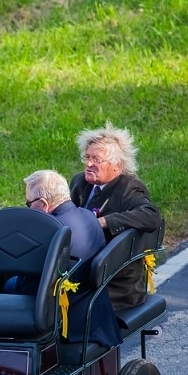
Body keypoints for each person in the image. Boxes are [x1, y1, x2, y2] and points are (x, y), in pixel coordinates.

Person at [67, 123, 163, 311]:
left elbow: (151, 215)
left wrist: (105, 222)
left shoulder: (129, 187)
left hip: (113, 280)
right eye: (87, 157)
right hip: (80, 264)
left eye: (96, 159)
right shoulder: (80, 182)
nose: (89, 164)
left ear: (117, 165)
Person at [25, 169, 118, 348]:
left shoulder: (51, 230)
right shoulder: (88, 216)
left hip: (66, 318)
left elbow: (31, 280)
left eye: (28, 203)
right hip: (94, 310)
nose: (28, 209)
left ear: (43, 204)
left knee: (9, 285)